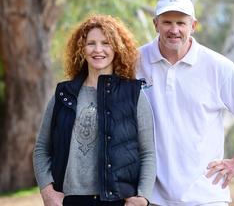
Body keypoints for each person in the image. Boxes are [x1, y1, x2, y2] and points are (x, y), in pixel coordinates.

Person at [137, 0, 234, 206]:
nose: (174, 30)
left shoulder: (217, 66)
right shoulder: (135, 61)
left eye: (181, 23)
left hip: (206, 196)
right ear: (156, 24)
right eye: (167, 22)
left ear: (193, 26)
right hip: (151, 197)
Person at [33, 14, 156, 206]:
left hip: (118, 200)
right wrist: (47, 191)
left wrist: (142, 197)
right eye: (91, 43)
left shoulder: (133, 94)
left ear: (117, 48)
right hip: (70, 199)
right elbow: (41, 148)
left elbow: (148, 152)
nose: (98, 50)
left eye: (106, 43)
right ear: (81, 48)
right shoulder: (64, 94)